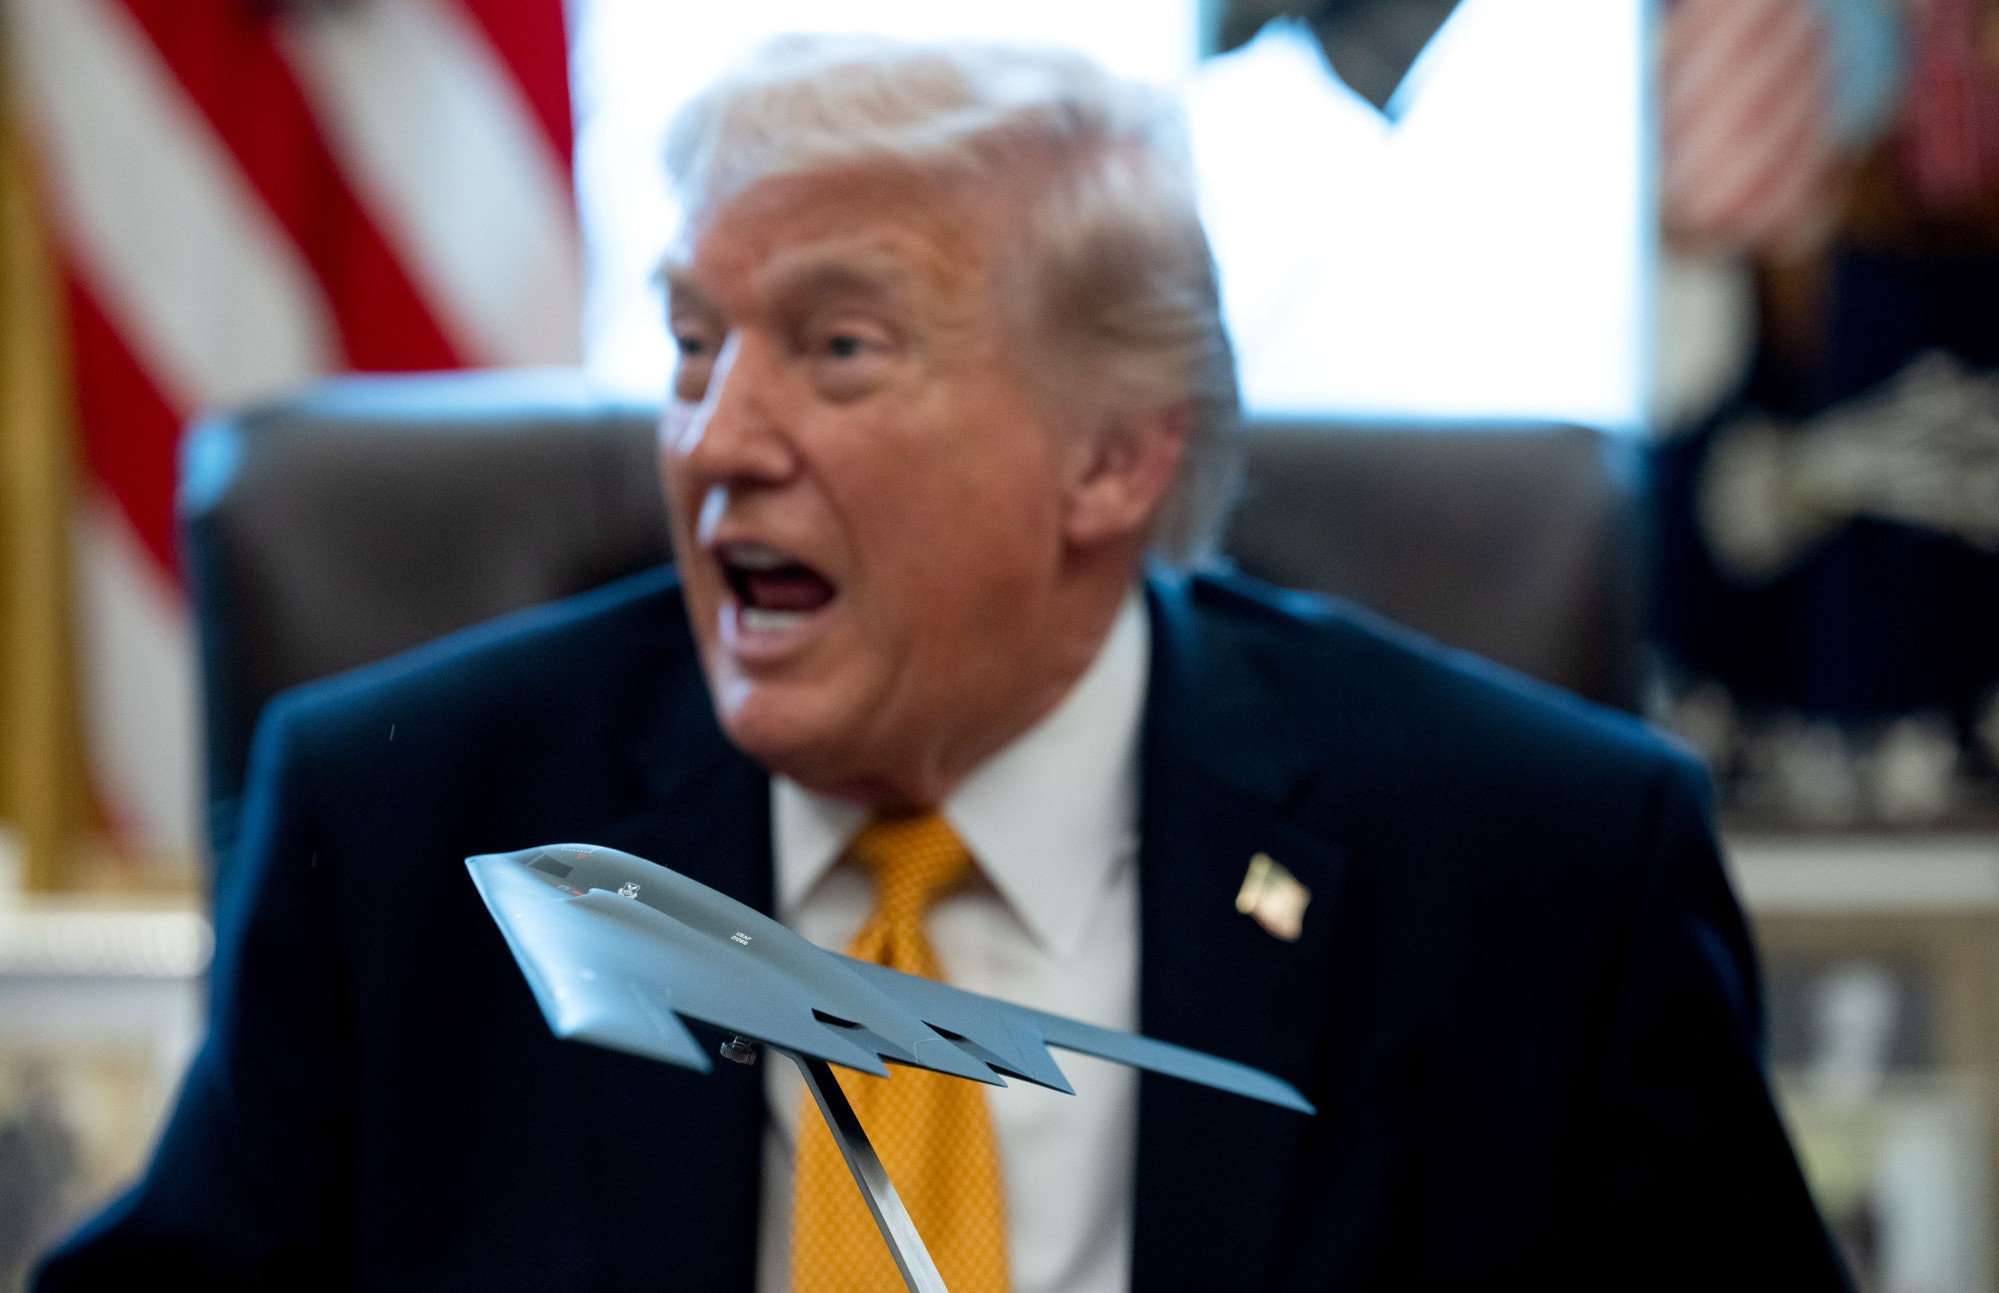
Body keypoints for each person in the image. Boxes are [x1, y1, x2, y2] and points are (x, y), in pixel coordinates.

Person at [38, 34, 1848, 1293]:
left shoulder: (1535, 873)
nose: (713, 438)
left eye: (837, 348)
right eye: (692, 343)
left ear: (1112, 457)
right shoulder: (415, 831)